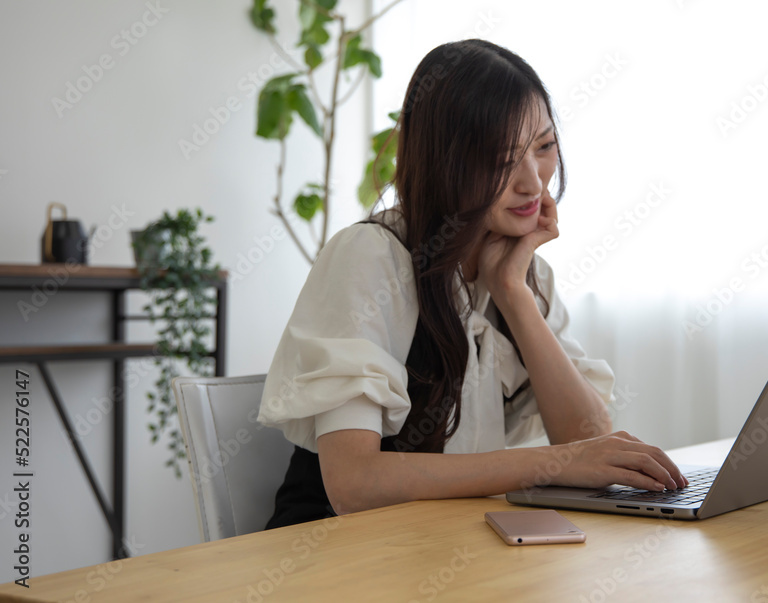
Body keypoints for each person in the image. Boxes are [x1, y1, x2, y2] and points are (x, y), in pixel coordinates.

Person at [257, 38, 687, 528]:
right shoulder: (371, 255)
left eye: (544, 147)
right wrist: (550, 466)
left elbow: (587, 439)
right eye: (502, 159)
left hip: (444, 543)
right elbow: (355, 483)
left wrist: (513, 293)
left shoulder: (521, 270)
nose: (533, 182)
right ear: (444, 161)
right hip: (339, 551)